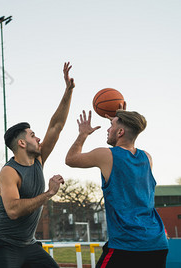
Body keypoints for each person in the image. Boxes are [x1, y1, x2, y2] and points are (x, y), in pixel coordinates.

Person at [0, 62, 74, 268]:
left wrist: (68, 91)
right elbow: (13, 210)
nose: (39, 139)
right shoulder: (9, 172)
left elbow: (57, 125)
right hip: (4, 243)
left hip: (29, 244)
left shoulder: (38, 159)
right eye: (33, 136)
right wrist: (48, 194)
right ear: (22, 143)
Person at [65, 109, 169, 268]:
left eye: (111, 125)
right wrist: (122, 114)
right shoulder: (147, 158)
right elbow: (132, 127)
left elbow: (70, 159)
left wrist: (83, 134)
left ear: (120, 132)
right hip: (157, 243)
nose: (108, 129)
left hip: (127, 245)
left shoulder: (107, 155)